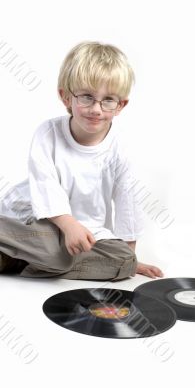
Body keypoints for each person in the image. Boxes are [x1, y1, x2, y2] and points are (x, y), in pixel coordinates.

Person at [0, 41, 163, 281]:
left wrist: (129, 260)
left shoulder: (121, 148)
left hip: (83, 231)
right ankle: (34, 256)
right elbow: (45, 185)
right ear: (66, 97)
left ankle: (15, 259)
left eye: (108, 99)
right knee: (53, 250)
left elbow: (127, 201)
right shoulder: (48, 134)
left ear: (121, 105)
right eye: (86, 97)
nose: (96, 109)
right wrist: (67, 224)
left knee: (123, 261)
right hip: (33, 219)